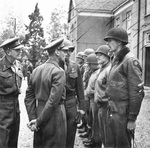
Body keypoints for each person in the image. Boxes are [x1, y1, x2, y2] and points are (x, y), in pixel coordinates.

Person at [103, 27, 144, 148]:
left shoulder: (129, 60)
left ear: (119, 42)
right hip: (113, 109)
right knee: (111, 143)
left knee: (122, 144)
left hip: (122, 111)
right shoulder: (116, 59)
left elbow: (137, 92)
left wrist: (132, 118)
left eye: (110, 40)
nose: (107, 44)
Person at [24, 38, 67, 148]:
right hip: (55, 116)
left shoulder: (36, 70)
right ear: (57, 52)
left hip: (39, 112)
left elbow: (29, 96)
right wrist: (38, 122)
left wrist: (34, 118)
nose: (66, 54)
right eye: (64, 51)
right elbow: (53, 101)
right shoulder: (58, 72)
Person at [0, 37, 24, 148]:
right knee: (3, 142)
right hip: (2, 110)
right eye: (17, 50)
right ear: (8, 51)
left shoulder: (17, 65)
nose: (20, 51)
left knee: (13, 141)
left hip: (15, 107)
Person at [62, 39, 85, 148]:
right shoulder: (53, 66)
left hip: (71, 103)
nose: (68, 53)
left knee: (71, 133)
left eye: (70, 51)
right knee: (57, 133)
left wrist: (81, 108)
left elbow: (80, 89)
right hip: (57, 103)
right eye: (65, 50)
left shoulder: (75, 67)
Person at [94, 45, 111, 147]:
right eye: (97, 55)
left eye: (100, 55)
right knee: (103, 136)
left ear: (107, 56)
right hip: (101, 106)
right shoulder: (102, 69)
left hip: (107, 107)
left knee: (108, 137)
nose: (97, 57)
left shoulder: (109, 70)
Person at [83, 53, 102, 147]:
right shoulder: (94, 72)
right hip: (91, 99)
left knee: (96, 123)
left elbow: (100, 88)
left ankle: (96, 142)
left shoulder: (99, 72)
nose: (89, 66)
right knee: (92, 121)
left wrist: (91, 92)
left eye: (90, 64)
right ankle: (93, 139)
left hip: (95, 100)